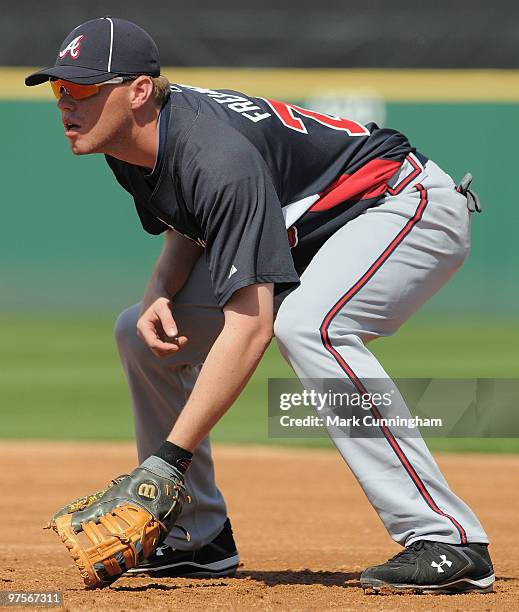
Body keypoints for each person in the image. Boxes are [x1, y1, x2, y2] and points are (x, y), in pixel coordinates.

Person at [26, 17, 494, 594]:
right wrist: (157, 295)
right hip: (314, 234)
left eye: (83, 89)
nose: (66, 104)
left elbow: (250, 329)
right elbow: (192, 225)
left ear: (139, 91)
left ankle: (448, 538)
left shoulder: (216, 153)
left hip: (402, 203)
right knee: (138, 331)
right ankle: (197, 538)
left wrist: (168, 460)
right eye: (59, 90)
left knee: (311, 326)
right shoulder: (129, 143)